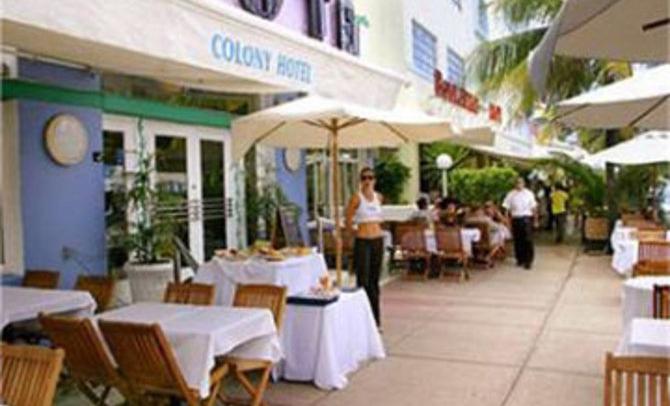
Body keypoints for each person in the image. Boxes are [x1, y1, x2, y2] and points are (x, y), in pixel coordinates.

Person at [345, 167, 384, 327]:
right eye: (364, 178)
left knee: (374, 281)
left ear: (375, 180)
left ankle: (375, 319)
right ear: (360, 181)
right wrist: (353, 233)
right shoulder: (356, 198)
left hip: (377, 240)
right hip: (363, 241)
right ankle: (362, 318)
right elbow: (348, 219)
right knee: (363, 280)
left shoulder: (378, 197)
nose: (367, 181)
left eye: (370, 177)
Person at [503, 178, 538, 270]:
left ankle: (528, 261)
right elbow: (506, 208)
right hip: (516, 218)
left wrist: (535, 220)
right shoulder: (511, 194)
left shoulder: (529, 194)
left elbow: (534, 208)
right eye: (517, 183)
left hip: (526, 218)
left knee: (528, 240)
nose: (519, 184)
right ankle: (520, 259)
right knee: (518, 240)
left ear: (524, 184)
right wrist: (506, 220)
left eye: (520, 183)